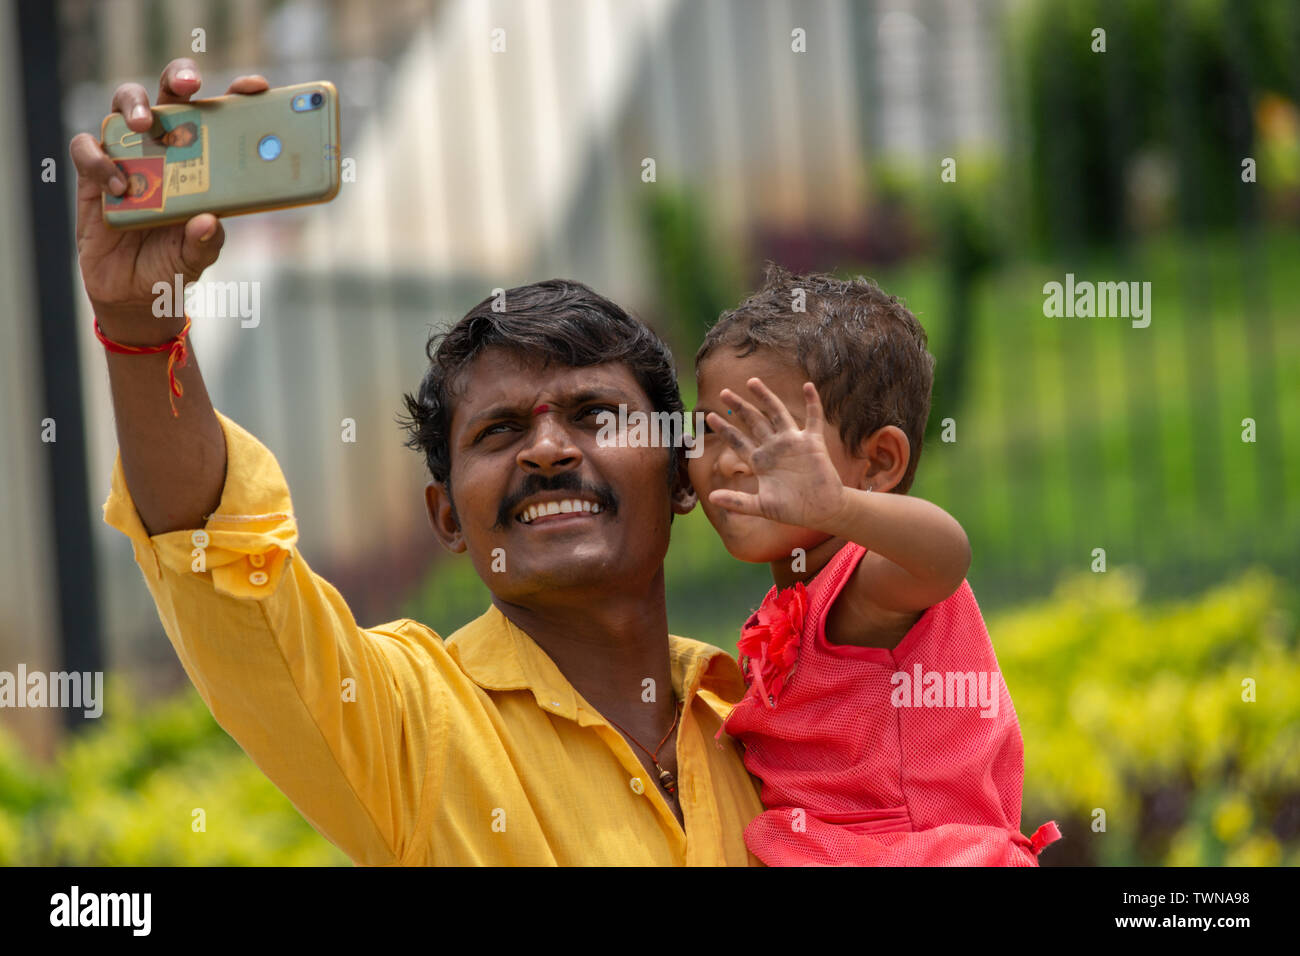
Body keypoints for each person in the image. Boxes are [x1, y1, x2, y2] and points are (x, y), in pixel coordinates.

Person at [70, 58, 763, 866]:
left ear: (681, 472)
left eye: (593, 415)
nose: (546, 449)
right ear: (447, 518)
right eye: (499, 432)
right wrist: (138, 323)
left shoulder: (768, 717)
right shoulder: (407, 722)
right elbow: (217, 562)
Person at [686, 264, 1062, 866]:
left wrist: (834, 506)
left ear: (879, 463)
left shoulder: (866, 582)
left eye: (769, 436)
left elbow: (947, 556)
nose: (728, 462)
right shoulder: (796, 589)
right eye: (710, 431)